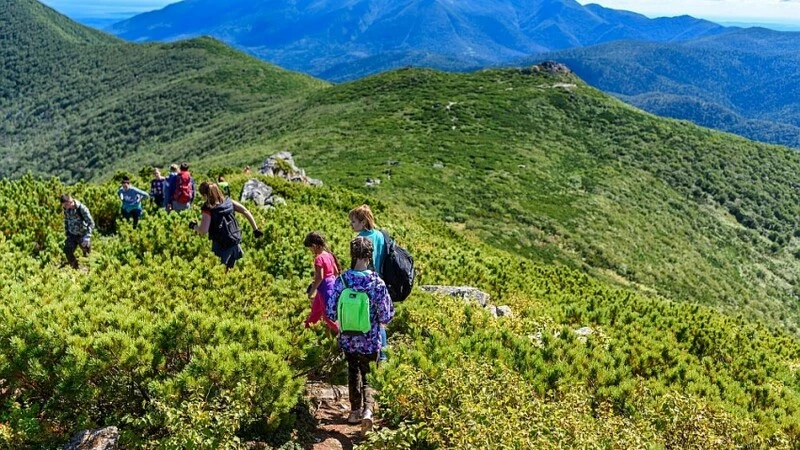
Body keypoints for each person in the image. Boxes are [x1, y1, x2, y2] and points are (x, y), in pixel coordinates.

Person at [327, 237, 394, 435]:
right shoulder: (376, 282)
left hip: (348, 338)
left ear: (352, 254)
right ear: (370, 255)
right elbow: (386, 315)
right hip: (371, 339)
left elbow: (331, 311)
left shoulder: (343, 280)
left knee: (353, 372)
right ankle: (368, 411)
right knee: (369, 375)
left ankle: (354, 411)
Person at [190, 182, 263, 270]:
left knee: (219, 273)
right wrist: (255, 229)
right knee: (233, 271)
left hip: (221, 246)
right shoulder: (229, 202)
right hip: (235, 243)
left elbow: (203, 230)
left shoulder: (208, 209)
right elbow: (245, 211)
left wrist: (194, 226)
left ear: (205, 195)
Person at [349, 204, 388, 361]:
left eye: (353, 221)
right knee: (379, 321)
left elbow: (356, 264)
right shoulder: (379, 235)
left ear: (363, 222)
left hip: (363, 282)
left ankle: (360, 352)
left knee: (362, 317)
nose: (351, 224)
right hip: (378, 280)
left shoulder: (360, 239)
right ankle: (383, 355)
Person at [303, 232, 340, 332]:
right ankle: (305, 331)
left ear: (314, 246)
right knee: (315, 312)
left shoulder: (318, 258)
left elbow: (320, 277)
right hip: (329, 287)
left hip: (324, 290)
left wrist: (311, 291)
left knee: (328, 317)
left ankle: (342, 333)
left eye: (310, 248)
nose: (310, 251)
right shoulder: (329, 255)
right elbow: (335, 272)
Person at [60, 194, 94, 269]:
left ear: (70, 201)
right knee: (67, 251)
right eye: (63, 205)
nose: (64, 207)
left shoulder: (81, 208)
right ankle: (75, 268)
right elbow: (66, 220)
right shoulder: (66, 209)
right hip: (72, 235)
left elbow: (91, 223)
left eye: (65, 205)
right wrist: (67, 233)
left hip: (83, 234)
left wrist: (87, 237)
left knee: (87, 254)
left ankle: (90, 270)